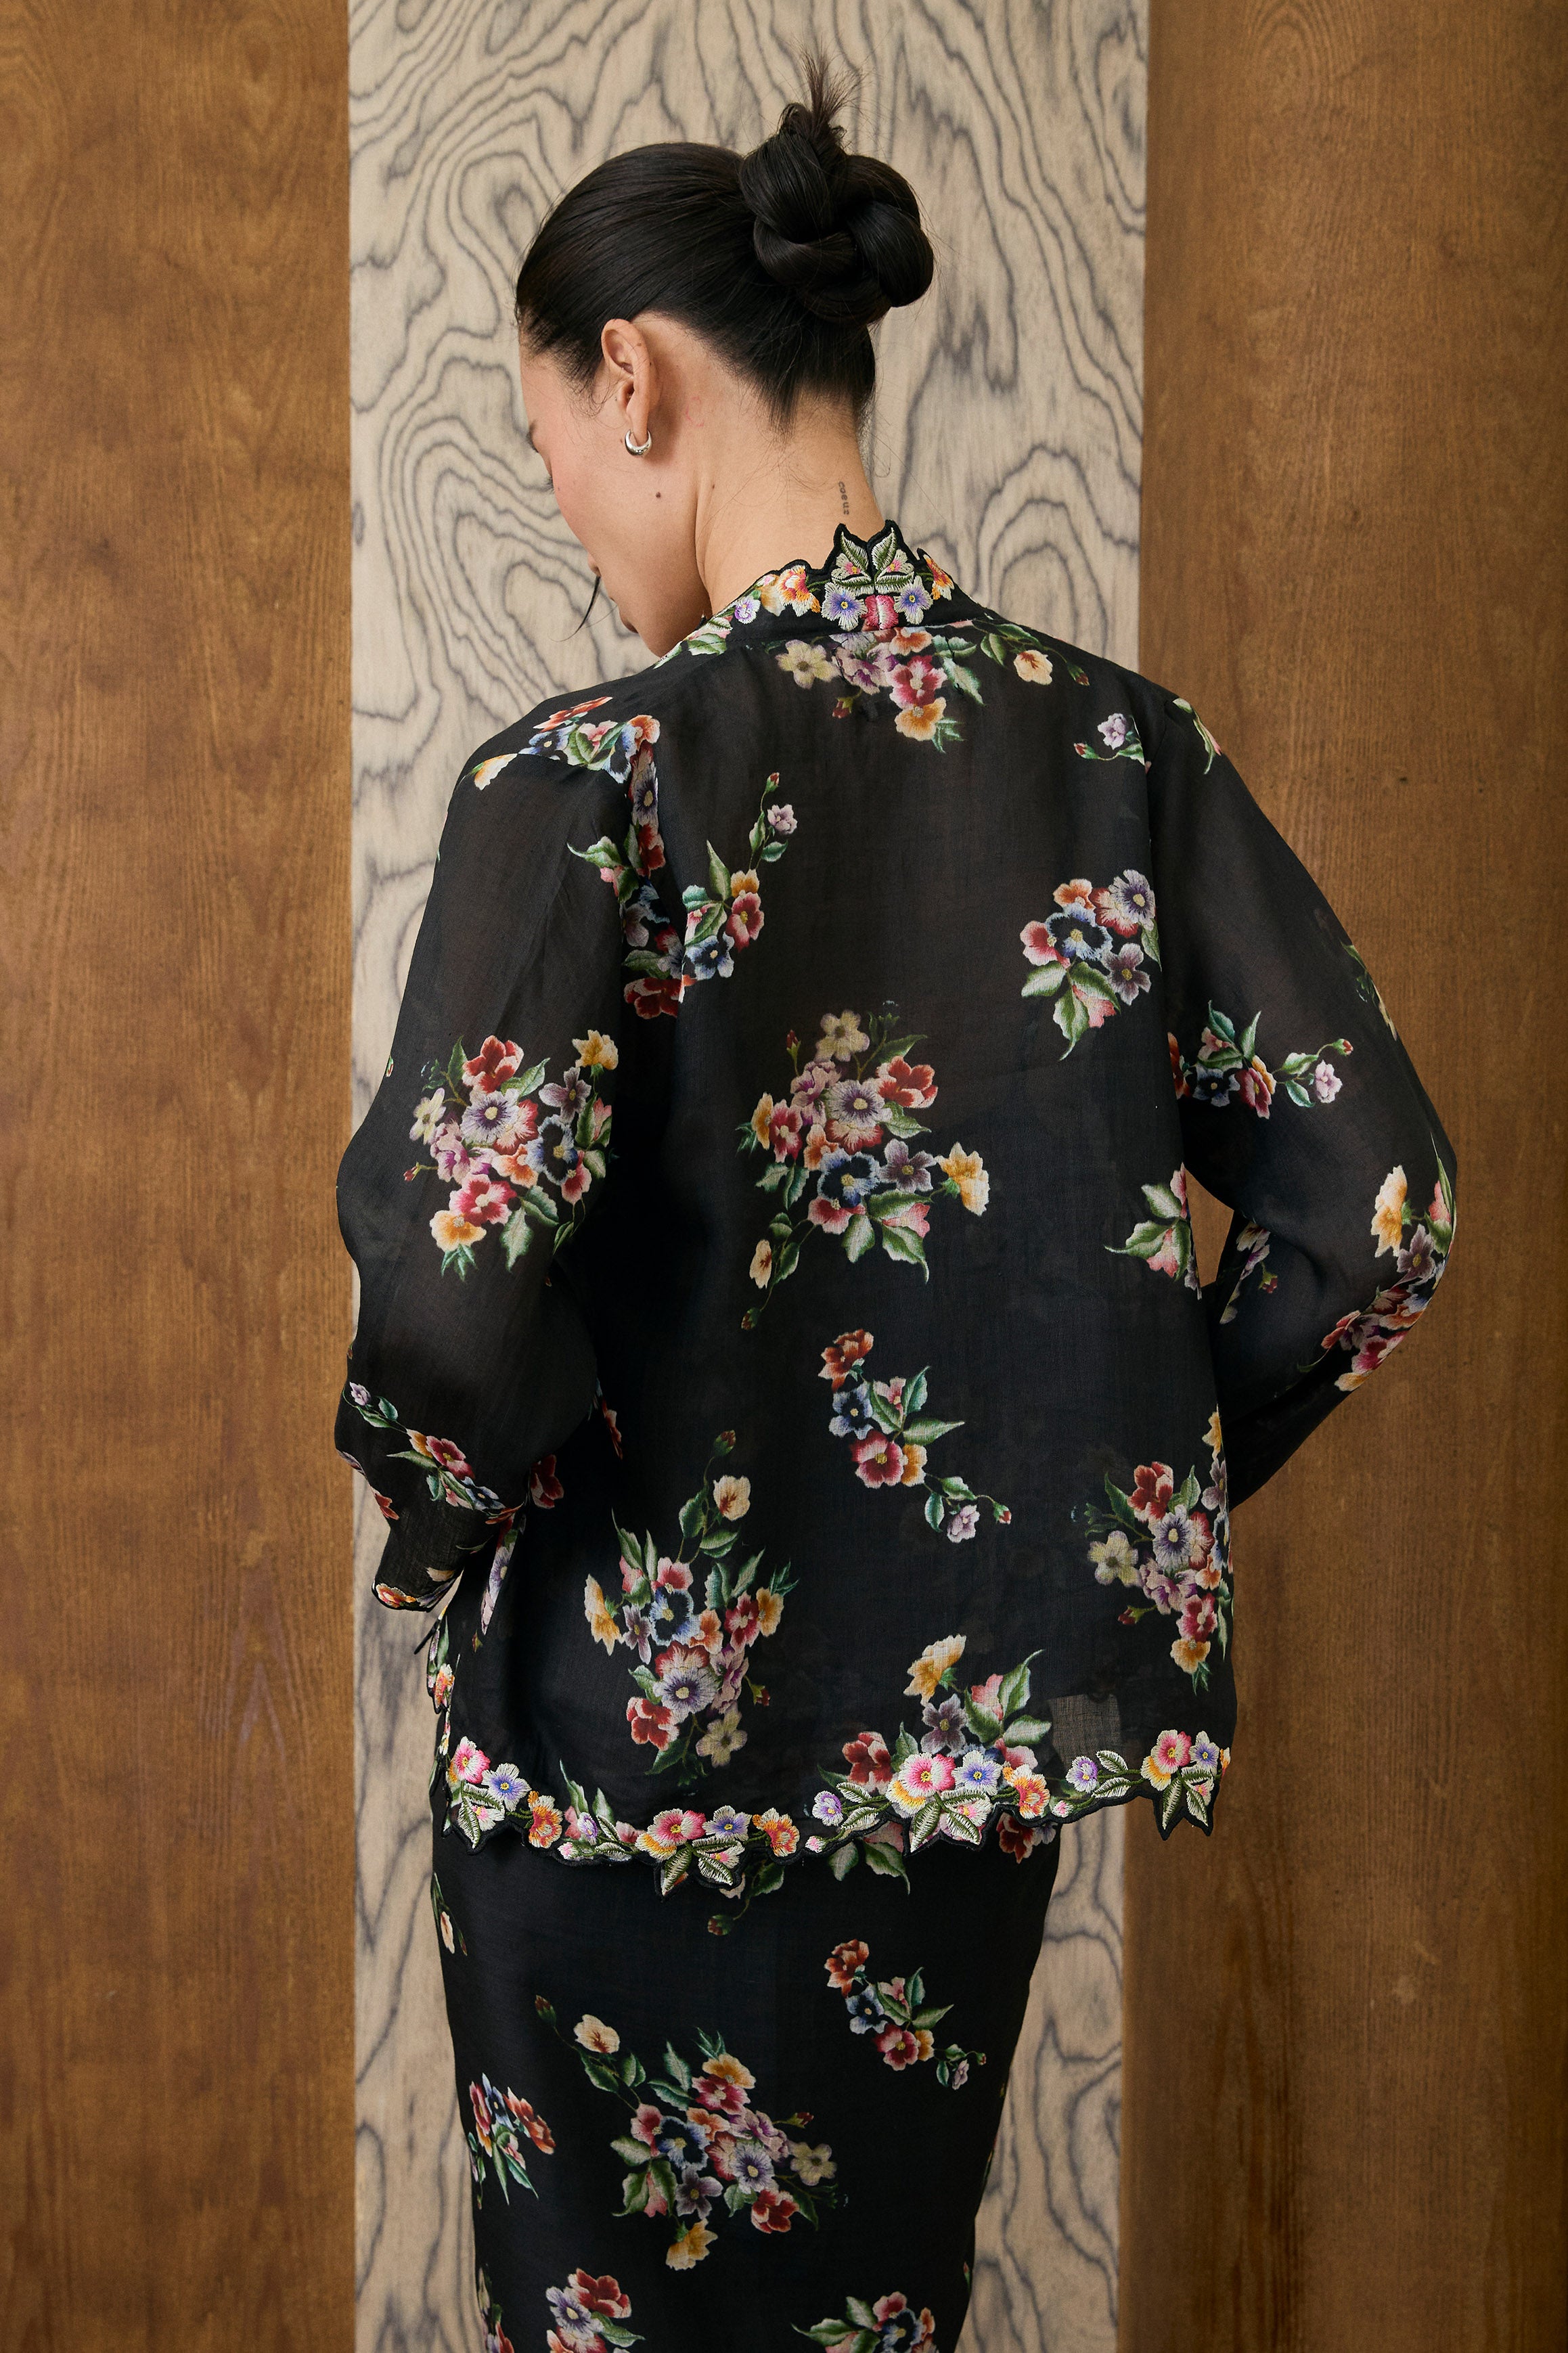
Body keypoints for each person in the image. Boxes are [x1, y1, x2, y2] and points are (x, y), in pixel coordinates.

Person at [334, 55, 1456, 2353]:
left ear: (632, 378)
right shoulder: (1125, 761)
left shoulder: (590, 780)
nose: (569, 509)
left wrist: (448, 1521)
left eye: (548, 445)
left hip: (609, 1780)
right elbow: (1381, 1210)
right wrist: (1107, 1489)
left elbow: (450, 1300)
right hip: (956, 1788)